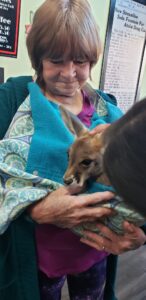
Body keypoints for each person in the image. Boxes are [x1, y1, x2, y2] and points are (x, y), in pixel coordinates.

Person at [0, 1, 145, 300]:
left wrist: (140, 236)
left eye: (79, 61)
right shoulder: (11, 101)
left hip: (94, 255)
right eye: (56, 60)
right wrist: (34, 208)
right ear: (38, 59)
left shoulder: (112, 112)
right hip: (40, 261)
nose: (69, 73)